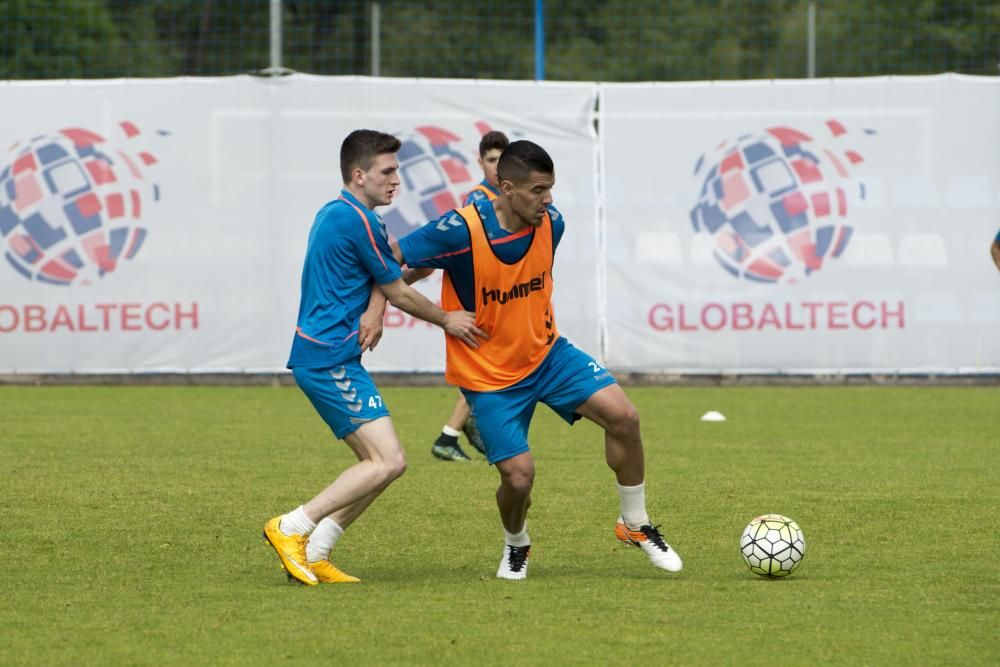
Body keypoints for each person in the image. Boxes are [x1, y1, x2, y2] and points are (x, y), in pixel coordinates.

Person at [392, 140, 683, 580]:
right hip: (489, 377)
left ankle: (635, 523)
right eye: (538, 190)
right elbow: (390, 265)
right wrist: (438, 316)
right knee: (518, 479)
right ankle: (516, 544)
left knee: (624, 417)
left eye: (551, 189)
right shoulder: (458, 230)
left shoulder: (553, 223)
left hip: (548, 355)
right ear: (506, 188)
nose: (548, 200)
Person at [262, 129, 486, 586]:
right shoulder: (359, 221)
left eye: (397, 171)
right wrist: (448, 319)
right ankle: (291, 527)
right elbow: (399, 289)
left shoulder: (338, 214)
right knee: (388, 461)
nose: (396, 180)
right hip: (328, 360)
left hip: (328, 357)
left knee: (380, 467)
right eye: (387, 172)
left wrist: (371, 310)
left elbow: (379, 280)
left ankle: (316, 549)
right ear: (358, 174)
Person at [431, 130, 509, 462]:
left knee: (486, 370)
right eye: (491, 160)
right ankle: (458, 435)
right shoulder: (477, 198)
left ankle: (451, 436)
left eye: (502, 161)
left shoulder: (509, 196)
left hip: (498, 298)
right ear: (480, 162)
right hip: (476, 299)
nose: (497, 166)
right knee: (485, 370)